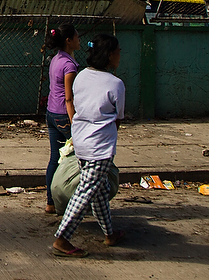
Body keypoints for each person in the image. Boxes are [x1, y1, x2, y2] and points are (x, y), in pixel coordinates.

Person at [51, 33, 126, 258]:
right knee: (85, 191)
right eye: (118, 52)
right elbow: (118, 117)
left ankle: (109, 233)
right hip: (99, 148)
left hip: (81, 141)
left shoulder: (82, 76)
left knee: (99, 190)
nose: (120, 55)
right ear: (110, 55)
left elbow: (74, 102)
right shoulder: (116, 84)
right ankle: (62, 238)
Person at [44, 23, 80, 214]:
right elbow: (69, 97)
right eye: (77, 37)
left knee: (54, 158)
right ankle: (70, 200)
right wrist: (74, 122)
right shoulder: (69, 66)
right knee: (73, 159)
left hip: (51, 112)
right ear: (69, 40)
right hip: (63, 115)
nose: (79, 40)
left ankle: (51, 202)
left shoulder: (56, 59)